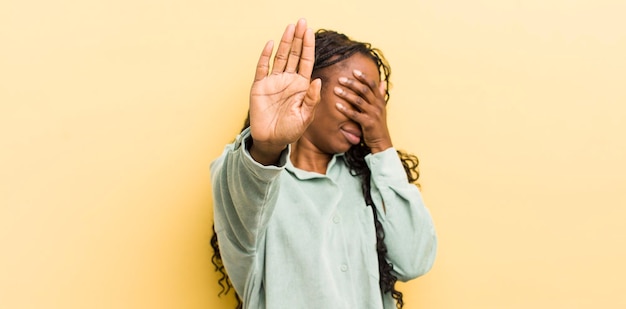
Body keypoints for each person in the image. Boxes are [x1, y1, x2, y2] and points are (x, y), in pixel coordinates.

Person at [210, 18, 437, 309]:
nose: (366, 114)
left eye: (373, 103)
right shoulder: (247, 173)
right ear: (307, 91)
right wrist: (267, 145)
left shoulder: (367, 181)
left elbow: (414, 260)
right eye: (356, 97)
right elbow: (242, 198)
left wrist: (382, 145)